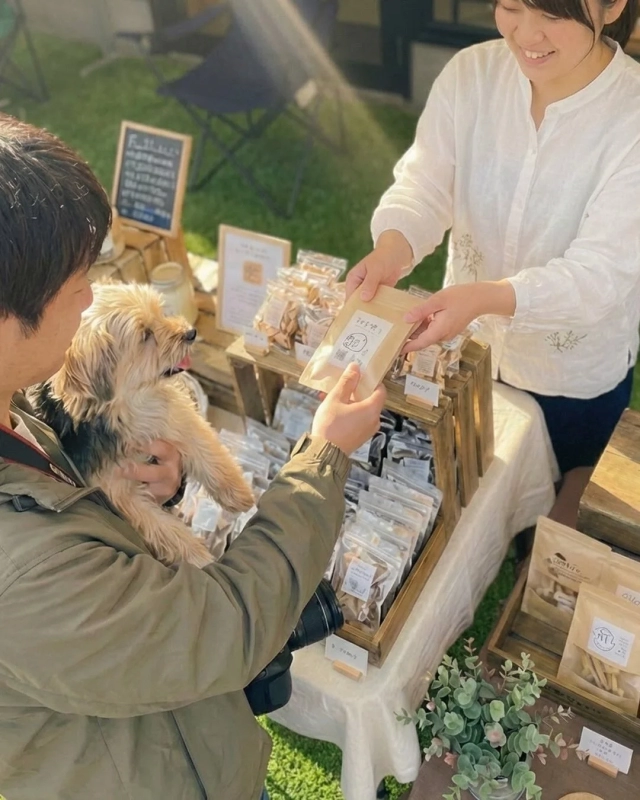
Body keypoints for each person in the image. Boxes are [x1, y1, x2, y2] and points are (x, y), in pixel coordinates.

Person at [0, 116, 386, 800]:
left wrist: (154, 490)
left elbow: (86, 522)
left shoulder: (19, 404)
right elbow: (227, 626)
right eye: (73, 281)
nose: (89, 297)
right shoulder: (22, 578)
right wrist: (324, 455)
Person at [346, 0, 640, 528]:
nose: (527, 33)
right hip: (466, 347)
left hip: (567, 373)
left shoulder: (632, 113)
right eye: (510, 5)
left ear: (614, 4)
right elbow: (426, 183)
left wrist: (483, 297)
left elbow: (603, 274)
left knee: (559, 513)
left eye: (554, 14)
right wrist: (394, 246)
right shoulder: (472, 74)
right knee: (468, 482)